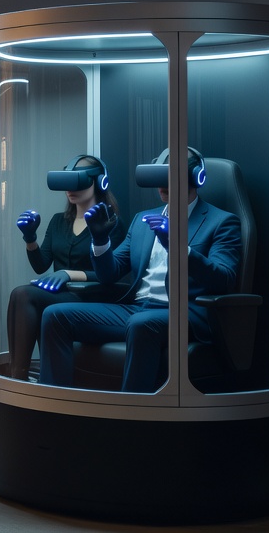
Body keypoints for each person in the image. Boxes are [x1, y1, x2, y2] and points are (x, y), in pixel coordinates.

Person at [39, 148, 242, 392]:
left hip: (183, 313)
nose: (162, 185)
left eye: (169, 177)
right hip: (137, 307)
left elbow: (224, 279)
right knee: (55, 315)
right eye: (158, 178)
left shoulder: (222, 222)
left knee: (140, 323)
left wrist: (178, 247)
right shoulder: (142, 220)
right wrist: (100, 240)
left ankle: (132, 418)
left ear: (197, 177)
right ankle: (57, 402)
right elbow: (109, 274)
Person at [2, 154, 127, 381]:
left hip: (91, 298)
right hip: (59, 295)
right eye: (66, 183)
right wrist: (30, 238)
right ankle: (17, 375)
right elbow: (41, 265)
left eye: (77, 182)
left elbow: (112, 272)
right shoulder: (59, 221)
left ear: (99, 183)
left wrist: (69, 274)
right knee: (20, 294)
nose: (71, 189)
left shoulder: (109, 224)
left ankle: (24, 376)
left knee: (25, 295)